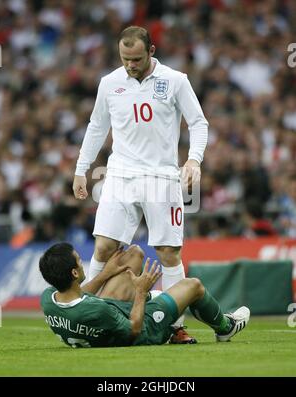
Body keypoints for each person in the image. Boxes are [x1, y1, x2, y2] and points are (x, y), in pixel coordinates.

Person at [72, 26, 209, 343]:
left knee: (168, 252)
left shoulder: (175, 81)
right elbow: (96, 127)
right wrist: (81, 169)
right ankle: (85, 315)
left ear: (152, 50)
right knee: (105, 246)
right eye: (125, 59)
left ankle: (174, 327)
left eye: (136, 59)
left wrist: (193, 159)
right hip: (119, 174)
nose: (130, 66)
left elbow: (198, 122)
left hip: (161, 176)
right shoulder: (109, 83)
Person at [39, 243, 250, 348]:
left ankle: (154, 298)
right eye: (78, 260)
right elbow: (133, 330)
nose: (80, 261)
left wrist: (105, 274)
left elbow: (79, 295)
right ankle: (225, 327)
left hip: (109, 315)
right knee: (193, 286)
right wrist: (141, 292)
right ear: (75, 273)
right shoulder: (97, 309)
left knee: (134, 255)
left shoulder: (49, 298)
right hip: (144, 327)